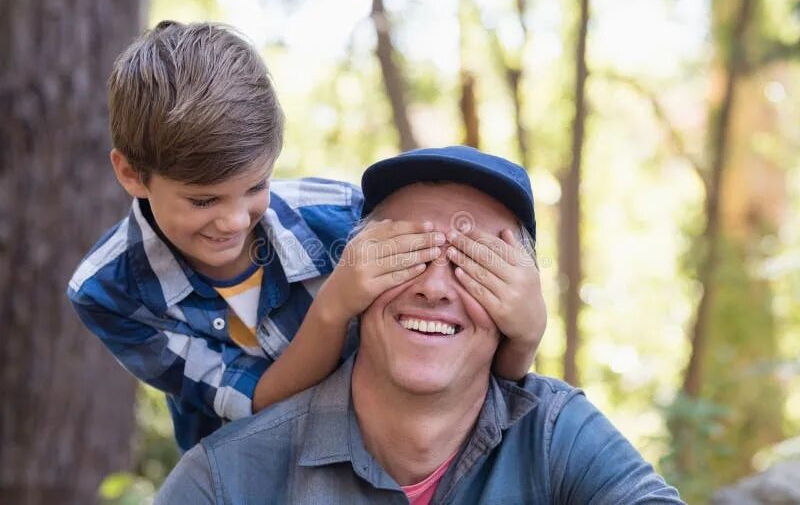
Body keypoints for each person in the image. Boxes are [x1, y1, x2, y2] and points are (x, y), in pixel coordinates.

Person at [66, 22, 540, 452]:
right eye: (204, 201)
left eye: (255, 187)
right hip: (243, 474)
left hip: (381, 458)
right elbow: (252, 403)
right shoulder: (108, 290)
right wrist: (334, 306)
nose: (234, 220)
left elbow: (463, 361)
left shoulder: (344, 215)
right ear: (131, 173)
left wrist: (526, 333)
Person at [156, 146, 684, 504]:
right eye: (406, 254)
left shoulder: (555, 435)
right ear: (354, 276)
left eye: (473, 263)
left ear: (520, 302)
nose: (434, 286)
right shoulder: (227, 480)